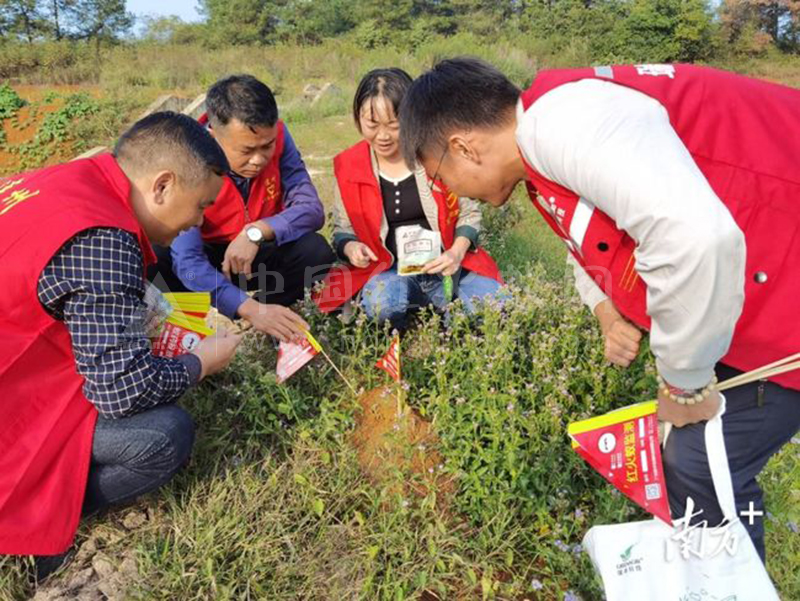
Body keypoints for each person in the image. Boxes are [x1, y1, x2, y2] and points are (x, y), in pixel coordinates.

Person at [398, 58, 800, 563]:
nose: (448, 191)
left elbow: (696, 239)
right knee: (694, 459)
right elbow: (586, 238)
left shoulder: (567, 123)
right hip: (758, 295)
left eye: (440, 176)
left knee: (700, 462)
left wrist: (684, 383)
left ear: (463, 146)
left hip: (783, 294)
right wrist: (608, 309)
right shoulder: (541, 145)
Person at [0, 112, 242, 581]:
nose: (198, 222)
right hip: (12, 415)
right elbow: (120, 392)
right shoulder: (105, 239)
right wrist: (200, 363)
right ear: (163, 185)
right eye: (201, 206)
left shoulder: (64, 179)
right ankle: (39, 527)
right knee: (165, 435)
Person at [148, 74, 335, 342]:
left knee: (314, 250)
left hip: (257, 253)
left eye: (267, 146)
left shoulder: (279, 136)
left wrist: (256, 232)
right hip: (208, 259)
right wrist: (245, 307)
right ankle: (186, 336)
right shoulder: (187, 157)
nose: (259, 160)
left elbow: (311, 209)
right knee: (156, 259)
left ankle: (269, 314)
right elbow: (188, 261)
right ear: (213, 137)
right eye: (246, 151)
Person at [314, 68, 502, 328]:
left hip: (448, 267)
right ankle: (418, 314)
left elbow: (469, 212)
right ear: (358, 119)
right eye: (372, 125)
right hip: (389, 271)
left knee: (495, 304)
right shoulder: (350, 167)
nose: (383, 136)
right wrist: (351, 248)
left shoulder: (437, 155)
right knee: (382, 306)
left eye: (394, 125)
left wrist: (457, 252)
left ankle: (446, 308)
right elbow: (343, 228)